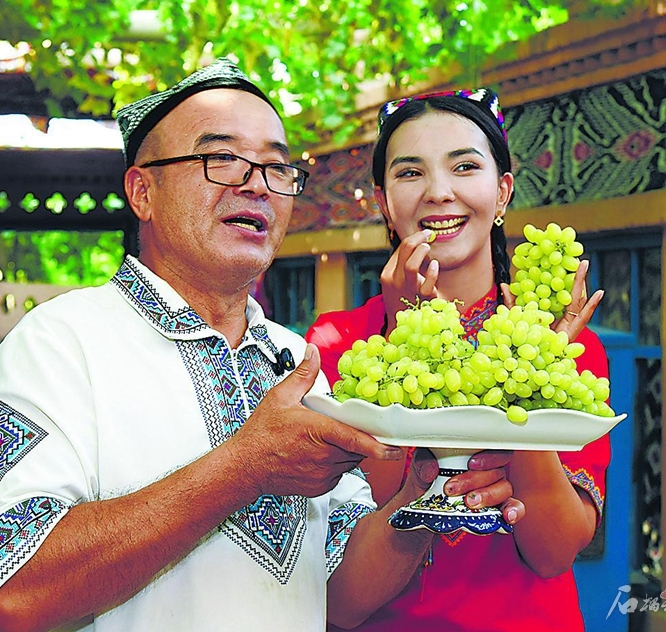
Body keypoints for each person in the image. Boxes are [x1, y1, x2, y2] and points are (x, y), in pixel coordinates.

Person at [0, 61, 523, 632]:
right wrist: (243, 469)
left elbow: (339, 598)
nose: (255, 183)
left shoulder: (297, 361)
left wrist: (421, 498)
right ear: (142, 191)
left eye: (276, 167)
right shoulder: (60, 342)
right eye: (220, 158)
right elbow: (14, 591)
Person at [305, 87, 610, 631]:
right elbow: (338, 604)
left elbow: (554, 552)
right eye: (410, 173)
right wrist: (405, 337)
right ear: (383, 201)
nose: (439, 193)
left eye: (465, 167)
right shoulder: (337, 345)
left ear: (502, 192)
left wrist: (531, 377)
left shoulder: (568, 347)